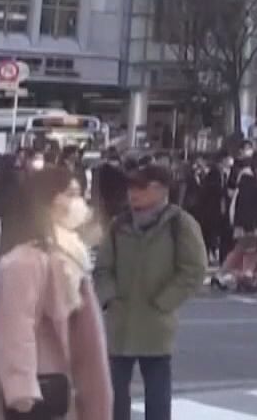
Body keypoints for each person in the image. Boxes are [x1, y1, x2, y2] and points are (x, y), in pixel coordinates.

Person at [0, 166, 112, 420]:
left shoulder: (70, 254)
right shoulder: (25, 261)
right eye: (70, 194)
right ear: (47, 200)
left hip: (56, 384)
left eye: (79, 194)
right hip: (35, 390)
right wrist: (22, 392)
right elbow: (17, 328)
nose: (78, 202)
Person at [95, 164, 206, 420]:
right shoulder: (119, 224)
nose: (134, 193)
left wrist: (165, 301)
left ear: (161, 190)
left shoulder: (180, 224)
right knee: (113, 392)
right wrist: (109, 297)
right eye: (131, 187)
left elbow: (194, 269)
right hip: (120, 320)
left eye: (142, 188)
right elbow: (102, 267)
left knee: (157, 392)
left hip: (156, 321)